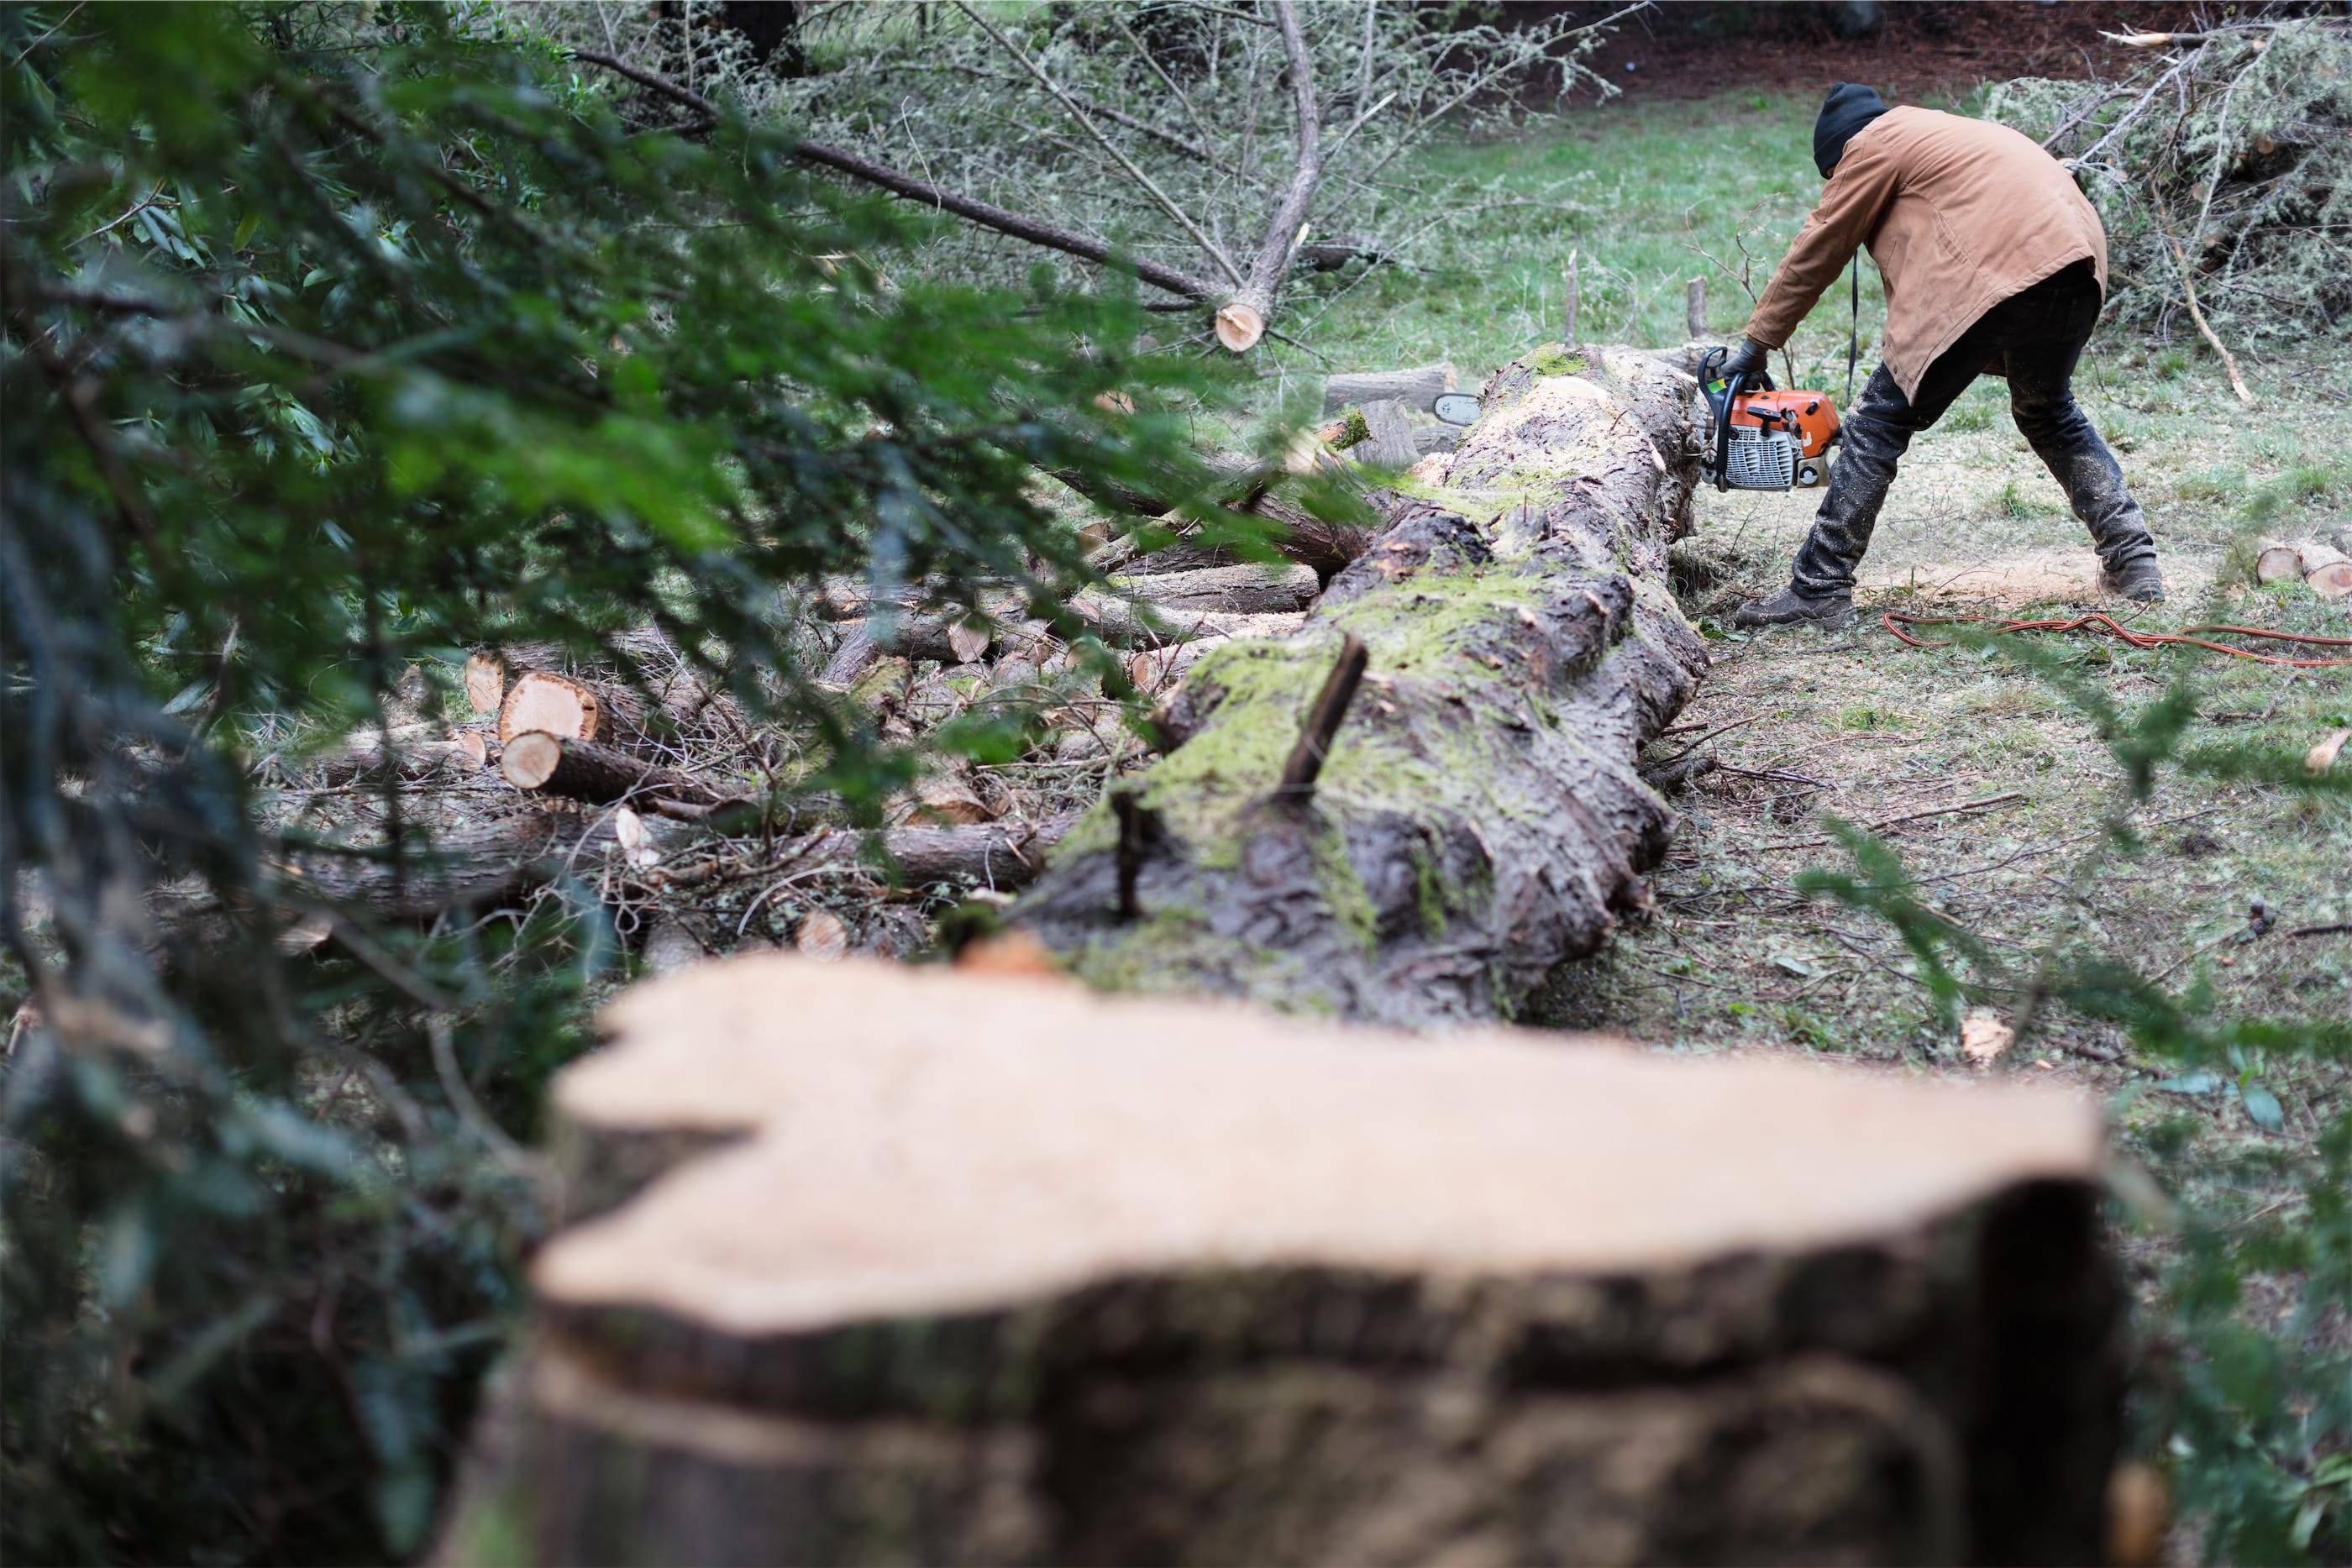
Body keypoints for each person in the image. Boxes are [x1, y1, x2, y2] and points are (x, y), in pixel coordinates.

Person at [1722, 83, 2165, 628]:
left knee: (1879, 422)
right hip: (2077, 259)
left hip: (1999, 266)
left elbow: (1821, 242)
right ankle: (2135, 565)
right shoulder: (1942, 133)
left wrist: (1757, 342)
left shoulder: (1873, 142)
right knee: (2049, 412)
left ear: (1839, 155)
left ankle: (1819, 587)